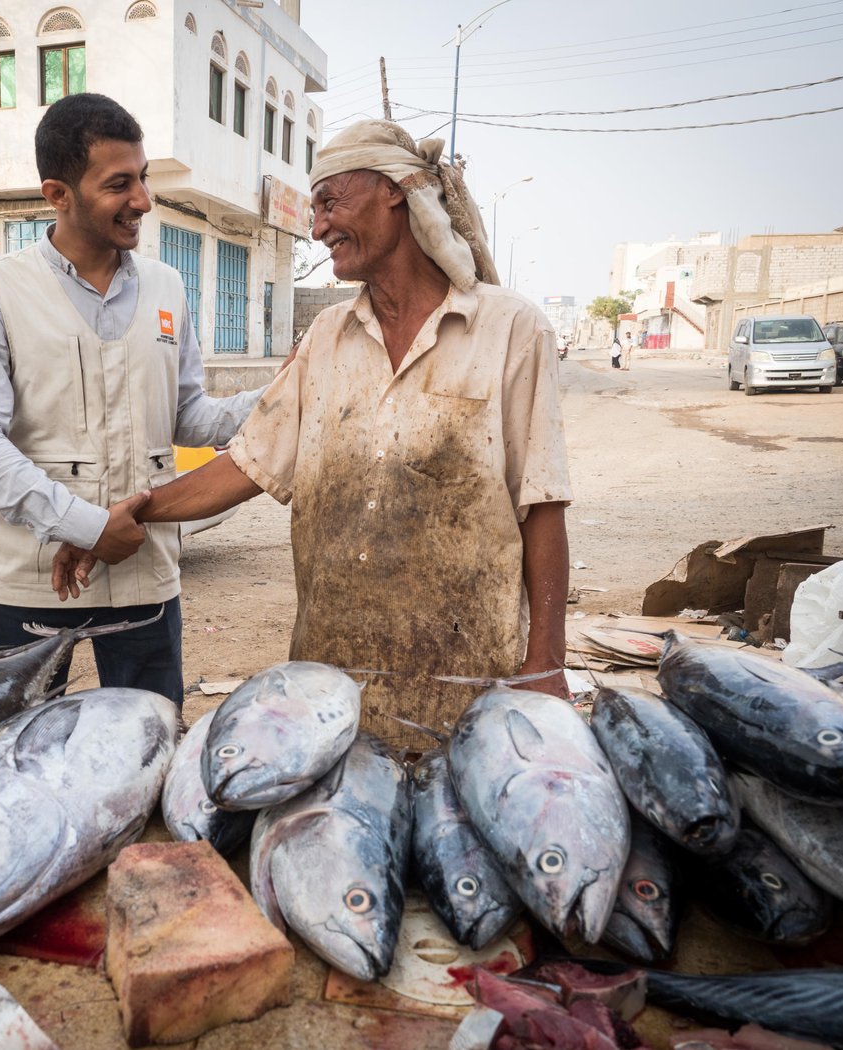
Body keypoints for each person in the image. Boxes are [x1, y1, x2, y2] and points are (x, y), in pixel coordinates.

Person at [53, 119, 572, 743]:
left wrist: (546, 661)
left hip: (467, 688)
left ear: (397, 193)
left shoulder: (512, 330)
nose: (318, 226)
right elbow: (249, 463)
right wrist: (126, 515)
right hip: (333, 687)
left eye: (331, 203)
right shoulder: (326, 337)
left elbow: (541, 503)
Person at [0, 93, 265, 706]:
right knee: (21, 759)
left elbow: (188, 417)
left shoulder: (167, 287)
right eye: (120, 184)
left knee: (145, 746)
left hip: (145, 575)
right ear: (58, 194)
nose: (142, 200)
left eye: (143, 178)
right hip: (33, 581)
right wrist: (88, 527)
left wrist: (284, 394)